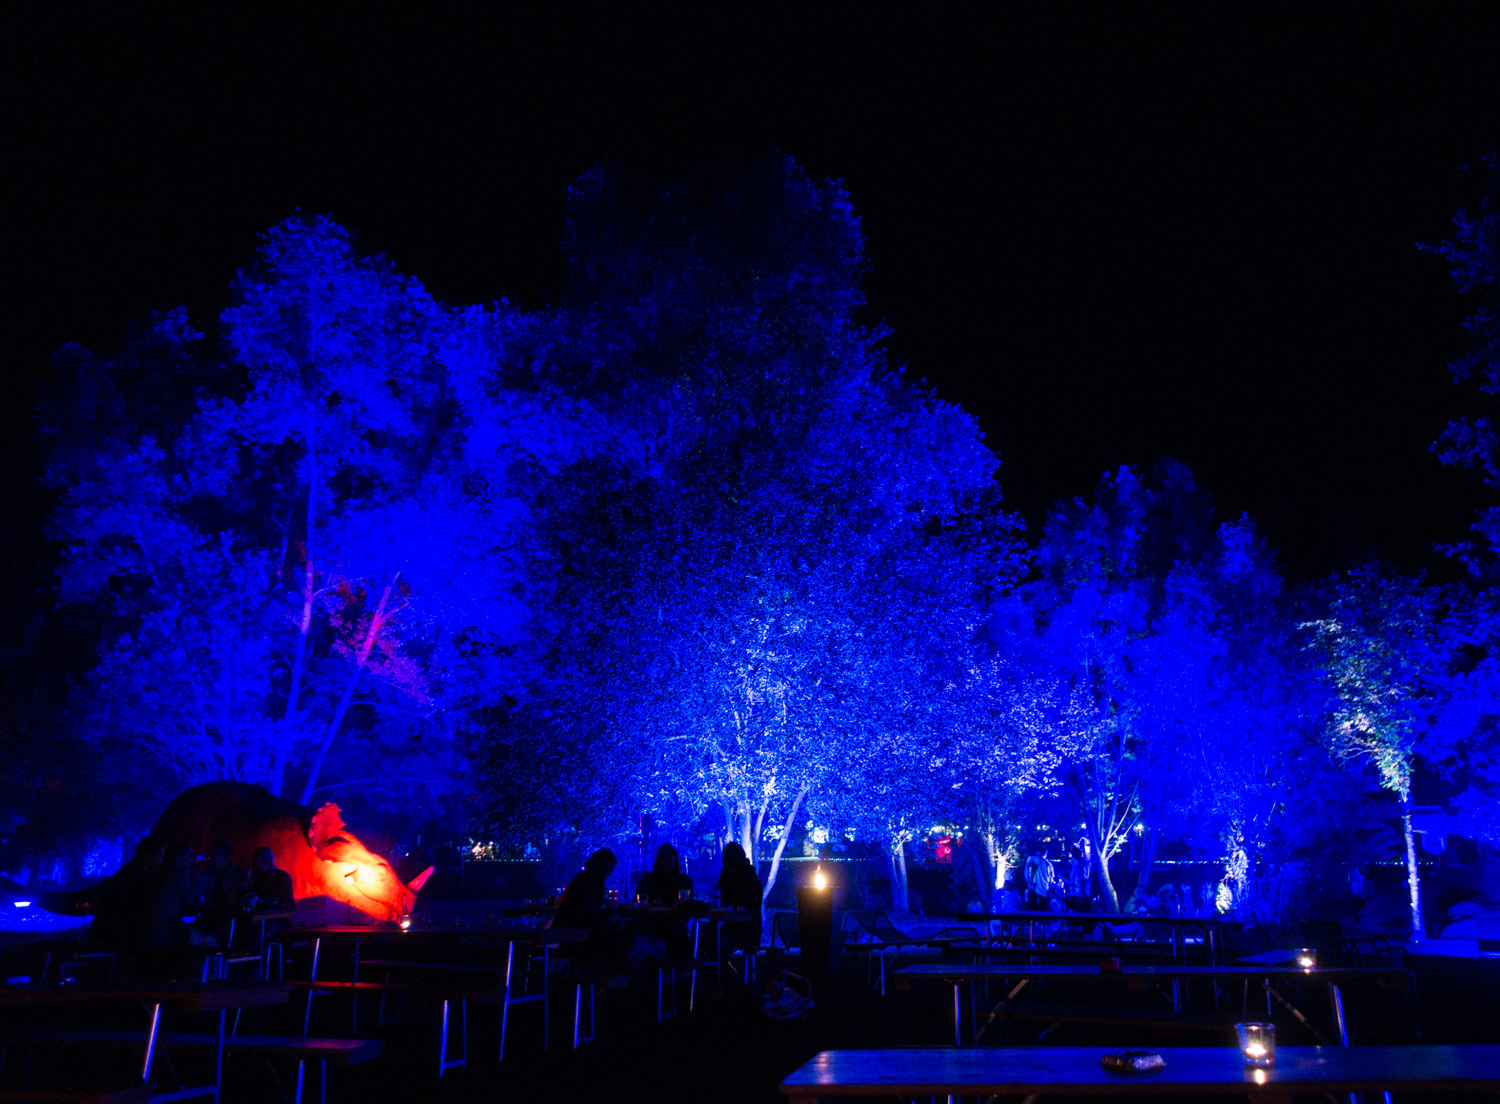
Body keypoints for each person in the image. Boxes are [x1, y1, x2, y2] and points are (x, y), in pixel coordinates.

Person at [716, 843, 763, 971]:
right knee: (706, 941)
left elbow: (752, 912)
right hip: (731, 927)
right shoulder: (727, 875)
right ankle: (722, 975)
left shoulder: (750, 881)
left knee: (719, 947)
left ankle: (727, 977)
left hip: (747, 930)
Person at [193, 841, 249, 947]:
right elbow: (199, 899)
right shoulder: (207, 875)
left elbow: (244, 901)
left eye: (215, 855)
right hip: (210, 920)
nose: (210, 858)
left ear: (227, 858)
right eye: (210, 854)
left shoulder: (240, 874)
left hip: (232, 923)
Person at [248, 846, 295, 911]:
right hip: (265, 914)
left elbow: (286, 900)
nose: (259, 865)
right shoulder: (259, 880)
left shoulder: (282, 876)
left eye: (262, 861)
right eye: (256, 861)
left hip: (283, 913)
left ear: (270, 861)